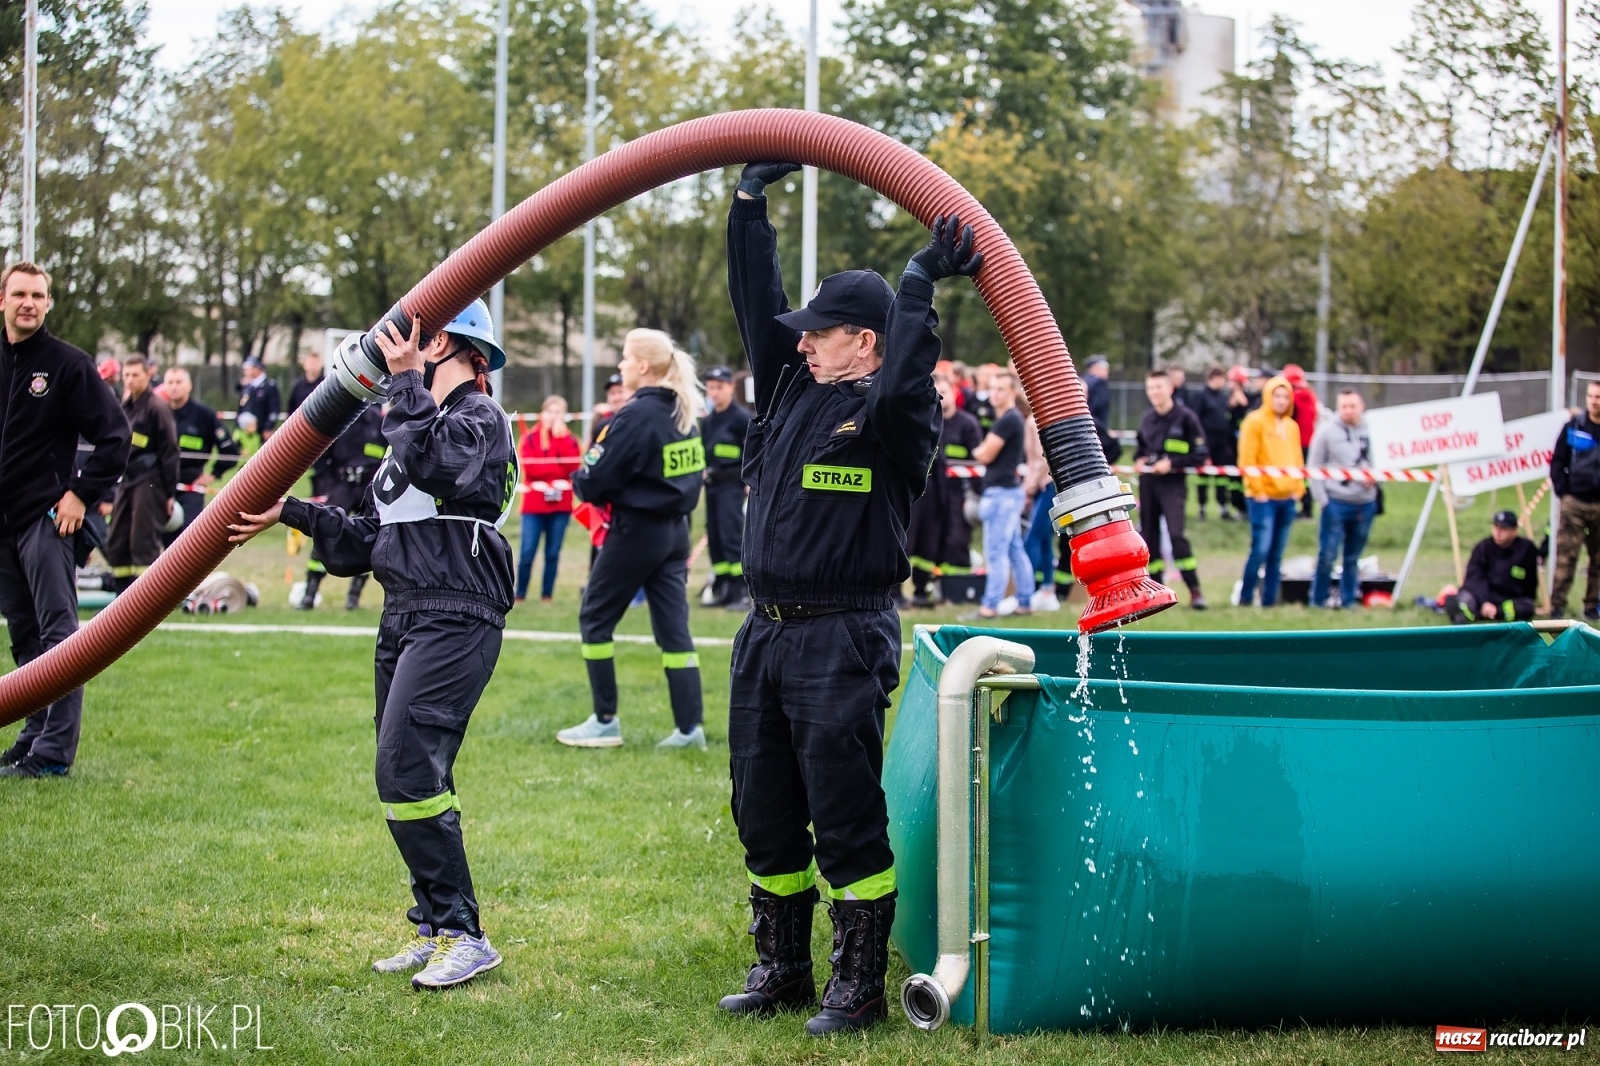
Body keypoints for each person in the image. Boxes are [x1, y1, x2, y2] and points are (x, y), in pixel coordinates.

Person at [719, 161, 976, 1036]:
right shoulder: (793, 388)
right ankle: (781, 966)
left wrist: (918, 285)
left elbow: (906, 379)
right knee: (762, 806)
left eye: (822, 335)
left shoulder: (894, 418)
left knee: (844, 809)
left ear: (866, 341)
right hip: (764, 632)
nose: (803, 346)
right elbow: (759, 308)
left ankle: (857, 983)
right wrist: (749, 206)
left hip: (842, 635)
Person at [228, 299, 517, 989]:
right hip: (405, 610)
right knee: (410, 773)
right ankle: (436, 924)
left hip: (456, 611)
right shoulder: (414, 426)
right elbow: (367, 540)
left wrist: (407, 382)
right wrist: (290, 512)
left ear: (441, 344)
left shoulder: (479, 417)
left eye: (411, 345)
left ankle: (464, 935)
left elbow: (442, 469)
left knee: (408, 768)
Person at [0, 262, 131, 779]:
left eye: (38, 295)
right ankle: (32, 736)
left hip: (46, 520)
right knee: (24, 635)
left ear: (48, 303)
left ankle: (54, 752)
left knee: (60, 638)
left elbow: (116, 437)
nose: (28, 303)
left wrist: (80, 494)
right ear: (2, 300)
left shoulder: (68, 364)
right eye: (19, 294)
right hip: (3, 525)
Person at [556, 329, 707, 750]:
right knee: (674, 632)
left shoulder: (635, 415)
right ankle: (689, 729)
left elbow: (594, 480)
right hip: (676, 532)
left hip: (637, 532)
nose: (620, 365)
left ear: (642, 365)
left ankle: (605, 720)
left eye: (625, 358)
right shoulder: (683, 409)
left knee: (594, 618)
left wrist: (581, 479)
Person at [906, 367, 983, 607]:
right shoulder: (921, 420)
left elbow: (977, 461)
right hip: (924, 493)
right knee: (911, 540)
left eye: (945, 392)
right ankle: (900, 592)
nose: (940, 397)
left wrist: (978, 494)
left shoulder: (967, 424)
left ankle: (948, 591)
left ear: (955, 393)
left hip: (955, 494)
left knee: (950, 542)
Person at [300, 404, 387, 610]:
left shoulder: (378, 422)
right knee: (324, 532)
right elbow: (321, 456)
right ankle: (310, 592)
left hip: (368, 488)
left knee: (367, 539)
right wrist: (327, 485)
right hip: (341, 486)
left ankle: (353, 598)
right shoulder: (341, 419)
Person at [1133, 369, 1208, 609]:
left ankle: (1195, 591)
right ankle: (1157, 592)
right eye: (1150, 388)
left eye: (1159, 387)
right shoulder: (1147, 419)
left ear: (1170, 389)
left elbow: (1201, 454)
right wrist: (1139, 461)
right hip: (1148, 484)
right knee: (1149, 537)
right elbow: (1139, 450)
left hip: (1173, 484)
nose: (1154, 392)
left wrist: (1172, 463)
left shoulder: (1186, 418)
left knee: (1177, 536)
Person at [105, 356, 179, 593]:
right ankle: (121, 598)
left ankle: (146, 598)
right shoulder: (125, 407)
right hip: (127, 480)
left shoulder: (157, 408)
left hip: (150, 481)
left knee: (142, 541)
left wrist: (169, 493)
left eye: (135, 375)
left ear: (148, 375)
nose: (129, 380)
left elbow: (170, 451)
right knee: (116, 540)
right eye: (126, 375)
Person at [1237, 375, 1304, 606]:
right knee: (1260, 551)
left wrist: (1298, 488)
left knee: (1277, 555)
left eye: (1286, 396)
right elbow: (1247, 459)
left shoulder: (1292, 426)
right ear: (1268, 396)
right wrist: (1258, 491)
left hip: (1287, 498)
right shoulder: (1254, 422)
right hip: (1263, 499)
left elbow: (1297, 459)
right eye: (1277, 396)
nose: (1282, 401)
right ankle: (1246, 598)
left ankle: (1270, 600)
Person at [1307, 388, 1377, 608]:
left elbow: (1386, 462)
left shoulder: (1374, 430)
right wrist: (1323, 500)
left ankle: (1349, 601)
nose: (1348, 411)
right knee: (1327, 555)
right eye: (1344, 406)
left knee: (1353, 557)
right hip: (1335, 502)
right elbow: (1314, 466)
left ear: (1361, 406)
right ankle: (1317, 601)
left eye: (1352, 406)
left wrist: (1376, 480)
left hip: (1365, 503)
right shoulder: (1326, 432)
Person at [973, 368, 1034, 618]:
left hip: (1002, 494)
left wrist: (978, 450)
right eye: (992, 389)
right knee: (1014, 550)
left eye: (1000, 389)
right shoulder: (1010, 419)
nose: (994, 394)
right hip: (1008, 493)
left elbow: (985, 454)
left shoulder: (1008, 420)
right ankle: (1025, 601)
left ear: (1012, 392)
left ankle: (989, 606)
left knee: (996, 552)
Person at [162, 366, 239, 544]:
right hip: (161, 486)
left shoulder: (204, 415)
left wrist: (213, 475)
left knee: (189, 540)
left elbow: (230, 452)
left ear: (189, 385)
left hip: (191, 487)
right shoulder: (159, 412)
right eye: (170, 382)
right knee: (164, 542)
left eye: (178, 382)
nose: (174, 387)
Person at [515, 395, 580, 603]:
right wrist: (555, 471)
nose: (553, 417)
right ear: (542, 413)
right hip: (534, 506)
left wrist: (560, 440)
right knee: (527, 552)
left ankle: (547, 595)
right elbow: (532, 468)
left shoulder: (569, 440)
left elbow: (573, 467)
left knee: (553, 553)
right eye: (550, 412)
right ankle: (520, 594)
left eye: (558, 413)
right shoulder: (530, 438)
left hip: (560, 506)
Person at [701, 366, 753, 609]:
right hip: (712, 486)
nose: (714, 392)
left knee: (732, 536)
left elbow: (754, 450)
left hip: (733, 486)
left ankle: (741, 591)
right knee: (715, 537)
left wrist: (750, 480)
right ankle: (723, 588)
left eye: (719, 387)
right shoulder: (708, 421)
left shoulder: (741, 418)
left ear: (731, 387)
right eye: (711, 387)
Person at [1549, 379, 1600, 620]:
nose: (1594, 401)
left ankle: (1592, 606)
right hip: (1575, 503)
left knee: (1598, 560)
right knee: (1566, 557)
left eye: (1598, 397)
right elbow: (1557, 460)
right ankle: (1557, 606)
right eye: (1590, 396)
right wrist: (1563, 492)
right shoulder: (1574, 426)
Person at [1447, 511, 1540, 624]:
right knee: (1463, 599)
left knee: (1526, 607)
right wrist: (1484, 601)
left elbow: (1530, 585)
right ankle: (1467, 614)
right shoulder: (1483, 548)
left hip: (1508, 598)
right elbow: (1474, 578)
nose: (1498, 532)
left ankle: (1496, 613)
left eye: (1503, 529)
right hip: (1480, 597)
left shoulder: (1526, 549)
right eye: (1496, 527)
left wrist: (1496, 608)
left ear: (1514, 531)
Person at [1022, 412, 1074, 611]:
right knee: (1044, 540)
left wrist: (1030, 485)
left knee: (1031, 540)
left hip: (1046, 485)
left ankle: (1027, 592)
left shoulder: (1034, 420)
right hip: (1048, 484)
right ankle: (1046, 590)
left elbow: (1043, 458)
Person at [1192, 367, 1238, 520]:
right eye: (1222, 379)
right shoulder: (1201, 396)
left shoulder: (1222, 397)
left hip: (1222, 444)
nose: (1223, 383)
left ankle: (1223, 507)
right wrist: (1200, 446)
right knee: (1203, 476)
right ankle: (1202, 507)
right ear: (1214, 378)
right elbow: (1196, 422)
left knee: (1222, 477)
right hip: (1207, 443)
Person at [1281, 364, 1319, 518]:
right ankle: (1307, 507)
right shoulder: (1310, 395)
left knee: (1299, 476)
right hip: (1309, 442)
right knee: (1305, 476)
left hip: (1297, 443)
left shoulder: (1293, 398)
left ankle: (1304, 507)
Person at [1081, 354, 1120, 464]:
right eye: (1105, 368)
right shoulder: (1098, 384)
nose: (1107, 372)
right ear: (1095, 369)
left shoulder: (1085, 381)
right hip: (1096, 427)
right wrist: (1104, 429)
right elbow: (1096, 408)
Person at [237, 357, 282, 437]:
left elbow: (274, 409)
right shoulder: (247, 386)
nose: (245, 371)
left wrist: (268, 427)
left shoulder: (269, 386)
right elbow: (242, 405)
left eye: (249, 368)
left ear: (257, 368)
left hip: (261, 431)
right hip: (245, 432)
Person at [288, 350, 324, 416]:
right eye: (311, 363)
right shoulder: (297, 386)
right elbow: (291, 409)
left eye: (316, 363)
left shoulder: (326, 385)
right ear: (304, 365)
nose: (313, 366)